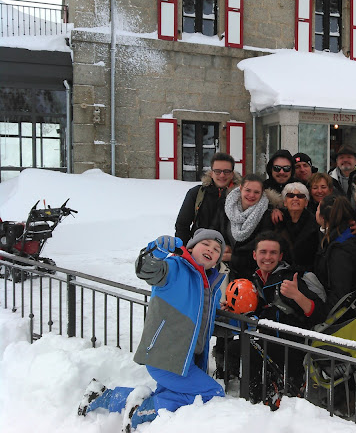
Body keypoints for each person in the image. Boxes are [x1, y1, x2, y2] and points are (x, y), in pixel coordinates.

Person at [78, 230, 227, 432]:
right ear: (191, 247)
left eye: (217, 249)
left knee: (176, 397)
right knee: (212, 392)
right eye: (206, 244)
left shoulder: (211, 287)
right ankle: (141, 411)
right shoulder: (175, 268)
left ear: (219, 258)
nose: (211, 249)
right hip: (165, 357)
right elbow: (147, 271)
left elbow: (210, 323)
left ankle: (104, 396)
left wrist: (244, 321)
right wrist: (156, 251)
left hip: (185, 360)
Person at [226, 232, 326, 405]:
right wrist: (233, 308)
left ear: (280, 256)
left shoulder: (290, 278)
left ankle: (264, 399)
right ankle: (259, 398)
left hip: (294, 348)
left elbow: (319, 313)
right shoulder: (256, 279)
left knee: (291, 401)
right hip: (270, 342)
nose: (267, 257)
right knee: (236, 347)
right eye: (263, 252)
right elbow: (258, 310)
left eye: (273, 253)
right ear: (254, 255)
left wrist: (297, 295)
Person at [314, 194, 356, 310]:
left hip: (341, 314)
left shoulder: (340, 249)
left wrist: (322, 315)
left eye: (317, 209)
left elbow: (340, 293)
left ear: (323, 217)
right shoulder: (337, 236)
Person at [174, 152, 239, 244]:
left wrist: (235, 253)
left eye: (226, 171)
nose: (222, 175)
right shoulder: (196, 193)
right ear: (211, 173)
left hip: (229, 253)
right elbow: (182, 225)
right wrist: (186, 249)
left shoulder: (241, 196)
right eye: (217, 171)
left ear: (232, 174)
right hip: (199, 252)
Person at [223, 173, 273, 279]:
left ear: (262, 193)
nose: (251, 195)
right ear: (240, 188)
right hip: (225, 272)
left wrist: (233, 258)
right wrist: (224, 246)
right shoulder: (227, 208)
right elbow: (217, 231)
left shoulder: (267, 216)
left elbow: (261, 247)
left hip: (252, 275)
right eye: (248, 190)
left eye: (256, 192)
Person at [273, 182, 319, 272]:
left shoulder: (315, 222)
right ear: (285, 202)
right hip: (281, 272)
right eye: (290, 195)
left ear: (306, 202)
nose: (295, 198)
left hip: (308, 273)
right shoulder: (277, 221)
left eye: (300, 196)